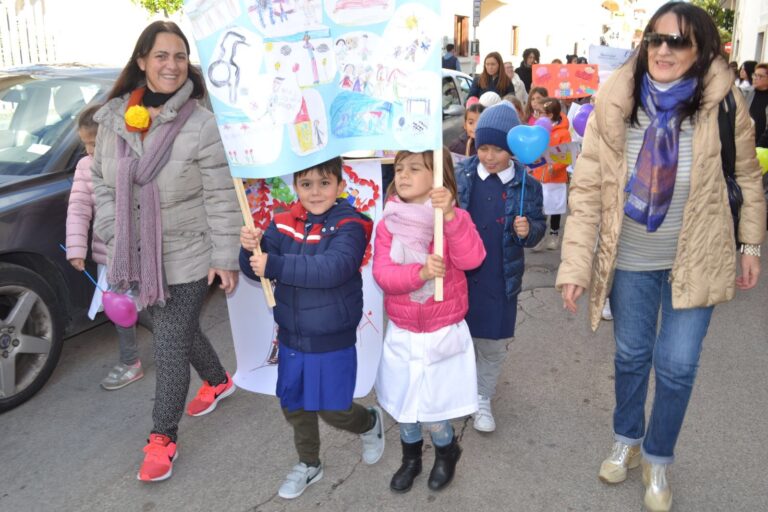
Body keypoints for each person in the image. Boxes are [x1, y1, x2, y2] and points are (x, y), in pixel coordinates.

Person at [556, 4, 765, 511]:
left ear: (701, 51)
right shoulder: (616, 98)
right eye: (655, 39)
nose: (664, 49)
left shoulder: (723, 102)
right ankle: (626, 438)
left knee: (676, 366)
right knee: (630, 357)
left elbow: (748, 178)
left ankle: (658, 457)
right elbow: (586, 190)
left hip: (700, 254)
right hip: (630, 257)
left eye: (678, 41)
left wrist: (751, 245)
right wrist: (575, 265)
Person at [91, 21, 241, 482]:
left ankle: (162, 438)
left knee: (171, 344)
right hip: (134, 256)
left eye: (180, 56)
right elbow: (100, 182)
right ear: (142, 61)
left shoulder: (201, 123)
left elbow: (220, 194)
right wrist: (116, 232)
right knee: (176, 327)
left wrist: (224, 257)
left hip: (188, 252)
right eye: (161, 56)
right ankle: (218, 381)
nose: (172, 65)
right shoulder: (113, 119)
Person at [239, 157, 384, 500]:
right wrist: (250, 249)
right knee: (294, 404)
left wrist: (273, 263)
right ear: (296, 187)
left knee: (334, 409)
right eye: (306, 184)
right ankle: (309, 463)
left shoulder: (352, 224)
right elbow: (253, 270)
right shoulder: (282, 221)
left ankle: (369, 422)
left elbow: (332, 268)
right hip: (291, 335)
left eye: (324, 182)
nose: (315, 191)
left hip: (332, 337)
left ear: (340, 185)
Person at [373, 148, 485, 493]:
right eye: (399, 168)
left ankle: (446, 450)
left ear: (437, 176)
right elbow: (383, 274)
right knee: (405, 406)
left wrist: (451, 217)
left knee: (436, 408)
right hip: (404, 331)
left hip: (442, 331)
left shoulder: (451, 218)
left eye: (415, 168)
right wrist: (419, 272)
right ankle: (411, 458)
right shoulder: (388, 222)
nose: (403, 175)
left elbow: (472, 258)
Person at [455, 101, 546, 432]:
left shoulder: (527, 186)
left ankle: (482, 397)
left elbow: (536, 230)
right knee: (459, 339)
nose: (489, 156)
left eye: (498, 149)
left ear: (512, 149)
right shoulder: (461, 176)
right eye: (484, 148)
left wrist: (529, 230)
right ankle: (459, 391)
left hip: (499, 276)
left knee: (492, 345)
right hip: (461, 277)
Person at [66, 104, 144, 391]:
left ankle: (175, 347)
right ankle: (129, 361)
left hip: (144, 253)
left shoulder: (133, 161)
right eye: (84, 144)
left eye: (94, 144)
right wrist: (76, 248)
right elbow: (78, 208)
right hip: (111, 254)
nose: (88, 150)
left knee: (155, 304)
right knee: (119, 307)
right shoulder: (85, 167)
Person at [529, 97, 571, 252]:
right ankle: (539, 236)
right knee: (540, 207)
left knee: (554, 207)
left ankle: (554, 234)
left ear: (550, 116)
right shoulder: (539, 129)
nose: (537, 115)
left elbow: (566, 156)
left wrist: (557, 166)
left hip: (555, 178)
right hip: (540, 175)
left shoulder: (563, 133)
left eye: (540, 113)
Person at [746, 62, 768, 146]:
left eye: (760, 76)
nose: (755, 78)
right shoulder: (746, 93)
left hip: (763, 148)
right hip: (746, 143)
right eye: (754, 75)